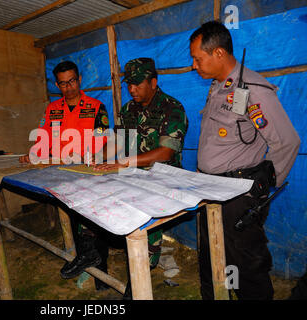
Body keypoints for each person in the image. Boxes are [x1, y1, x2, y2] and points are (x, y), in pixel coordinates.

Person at [189, 21, 300, 300]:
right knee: (211, 257)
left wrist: (262, 187)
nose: (193, 65)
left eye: (197, 58)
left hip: (237, 194)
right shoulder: (216, 87)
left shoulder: (253, 90)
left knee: (245, 265)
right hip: (209, 189)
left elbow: (286, 142)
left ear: (218, 54)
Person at [95, 57, 188, 298]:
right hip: (132, 174)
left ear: (153, 82)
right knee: (93, 194)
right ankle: (91, 253)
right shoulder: (128, 109)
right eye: (129, 84)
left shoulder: (172, 107)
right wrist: (96, 159)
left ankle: (140, 276)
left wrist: (123, 162)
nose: (132, 89)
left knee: (145, 216)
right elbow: (117, 142)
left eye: (137, 84)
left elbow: (167, 152)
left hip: (163, 179)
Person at [19, 60, 111, 290]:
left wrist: (91, 158)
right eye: (62, 84)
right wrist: (32, 154)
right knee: (74, 220)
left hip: (89, 174)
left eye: (72, 81)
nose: (68, 87)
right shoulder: (52, 110)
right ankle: (86, 269)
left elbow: (103, 142)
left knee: (95, 221)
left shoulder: (96, 106)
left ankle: (102, 277)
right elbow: (43, 140)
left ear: (79, 80)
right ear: (57, 85)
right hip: (61, 176)